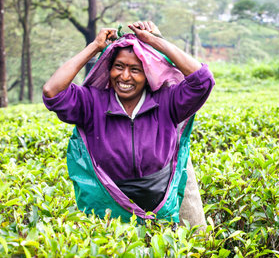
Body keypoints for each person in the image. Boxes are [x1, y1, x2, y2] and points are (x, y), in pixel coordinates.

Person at [43, 21, 214, 227]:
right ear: (109, 69)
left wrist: (156, 42)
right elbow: (52, 91)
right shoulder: (91, 102)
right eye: (118, 67)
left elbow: (202, 79)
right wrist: (94, 47)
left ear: (148, 73)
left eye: (135, 69)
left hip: (162, 209)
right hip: (111, 213)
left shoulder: (166, 101)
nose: (125, 76)